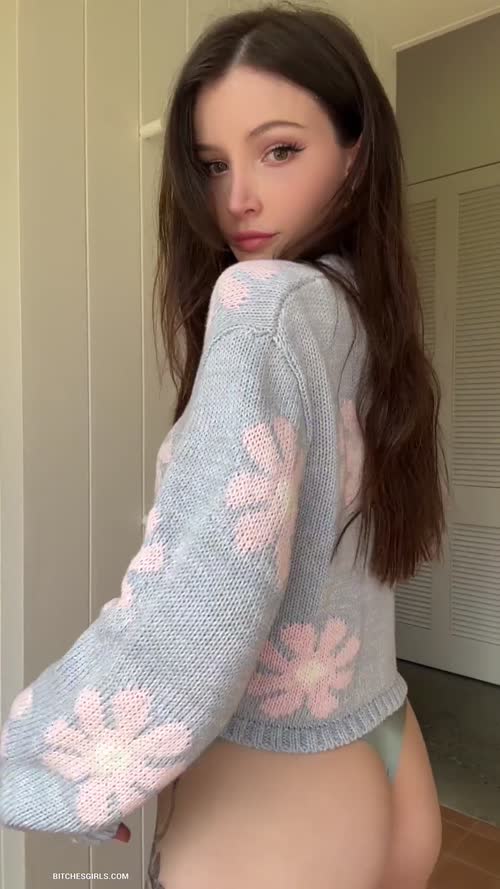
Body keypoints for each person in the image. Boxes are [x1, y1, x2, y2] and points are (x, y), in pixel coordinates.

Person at [0, 3, 448, 888]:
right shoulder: (370, 319)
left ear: (355, 153)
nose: (237, 196)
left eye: (279, 150)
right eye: (212, 164)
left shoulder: (263, 304)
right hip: (389, 744)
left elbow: (206, 592)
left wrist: (38, 764)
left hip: (278, 789)